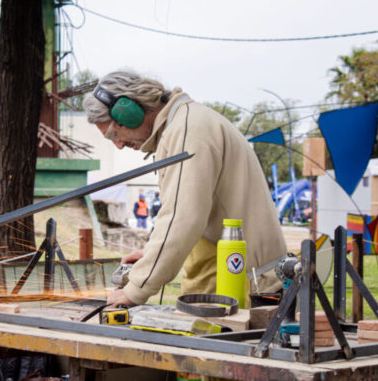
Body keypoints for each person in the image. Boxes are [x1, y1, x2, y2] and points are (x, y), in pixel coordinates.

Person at [83, 71, 287, 307]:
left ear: (129, 113)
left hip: (247, 285)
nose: (118, 145)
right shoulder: (184, 125)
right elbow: (179, 211)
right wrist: (150, 255)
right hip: (230, 278)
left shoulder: (189, 132)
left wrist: (135, 289)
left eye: (114, 134)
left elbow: (183, 217)